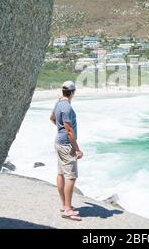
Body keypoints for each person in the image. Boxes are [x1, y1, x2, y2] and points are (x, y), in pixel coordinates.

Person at [50, 81, 84, 221]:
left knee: (60, 174)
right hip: (66, 145)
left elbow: (52, 118)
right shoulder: (67, 107)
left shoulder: (58, 103)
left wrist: (60, 130)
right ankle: (67, 210)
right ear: (73, 92)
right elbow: (69, 131)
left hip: (58, 142)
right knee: (71, 176)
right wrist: (77, 149)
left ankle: (64, 205)